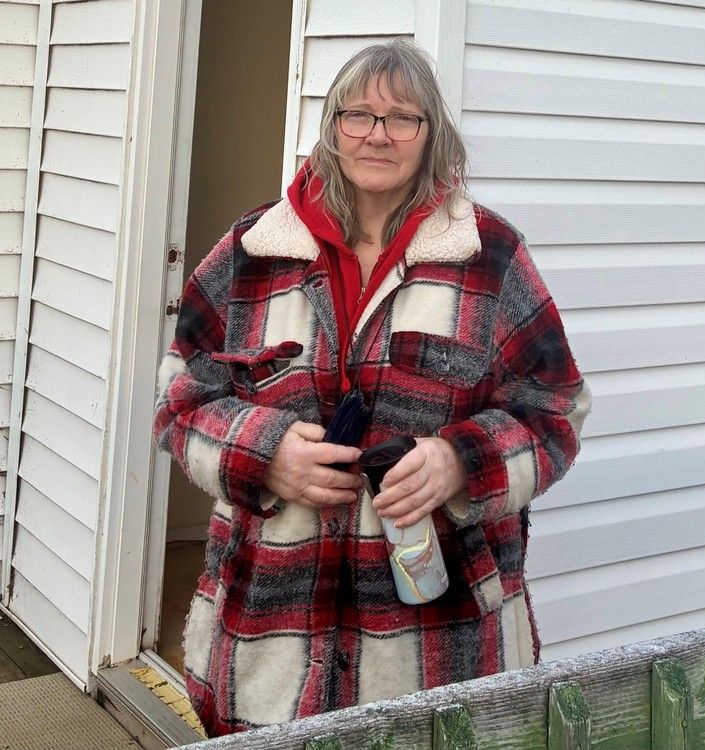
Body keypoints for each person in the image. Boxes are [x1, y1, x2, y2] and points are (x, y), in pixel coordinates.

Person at [152, 39, 591, 736]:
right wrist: (262, 452)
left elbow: (556, 407)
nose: (378, 134)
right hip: (267, 640)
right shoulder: (253, 251)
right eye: (358, 114)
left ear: (431, 134)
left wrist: (459, 463)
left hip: (442, 648)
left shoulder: (489, 257)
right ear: (332, 127)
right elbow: (181, 397)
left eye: (402, 118)